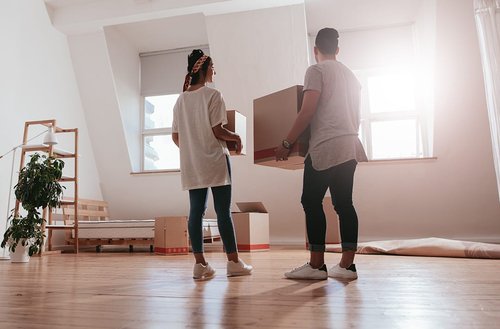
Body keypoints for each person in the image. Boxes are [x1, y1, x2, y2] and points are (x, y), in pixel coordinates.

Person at [275, 28, 368, 280]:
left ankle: (316, 266)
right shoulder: (351, 76)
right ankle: (347, 266)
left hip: (326, 145)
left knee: (310, 201)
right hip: (350, 145)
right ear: (337, 50)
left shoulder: (315, 70)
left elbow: (307, 111)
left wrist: (286, 142)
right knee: (344, 204)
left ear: (315, 50)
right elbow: (357, 116)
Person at [172, 49, 253, 280]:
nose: (215, 70)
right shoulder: (213, 95)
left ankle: (200, 265)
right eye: (213, 66)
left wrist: (193, 150)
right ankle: (234, 262)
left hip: (193, 164)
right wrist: (236, 138)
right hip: (216, 160)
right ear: (206, 68)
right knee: (223, 213)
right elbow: (218, 130)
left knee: (195, 212)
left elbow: (176, 137)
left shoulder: (180, 100)